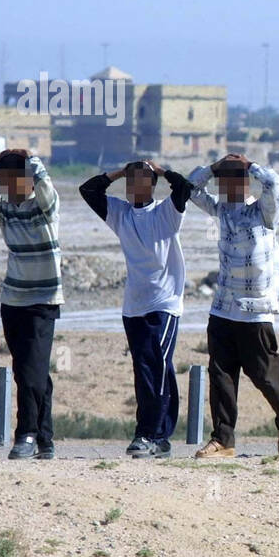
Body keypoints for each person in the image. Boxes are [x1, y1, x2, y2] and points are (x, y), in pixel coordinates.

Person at [187, 153, 279, 459]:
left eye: (235, 178)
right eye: (224, 179)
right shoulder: (221, 210)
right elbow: (190, 189)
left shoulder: (264, 212)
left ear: (246, 181)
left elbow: (274, 182)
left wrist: (250, 164)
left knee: (264, 372)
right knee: (221, 374)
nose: (228, 185)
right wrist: (211, 167)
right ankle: (223, 440)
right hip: (223, 307)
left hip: (256, 308)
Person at [80, 161, 192, 459]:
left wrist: (161, 169)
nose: (132, 188)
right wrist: (119, 171)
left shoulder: (166, 213)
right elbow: (88, 190)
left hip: (165, 303)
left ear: (152, 185)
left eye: (139, 182)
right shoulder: (121, 214)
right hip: (134, 306)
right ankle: (161, 436)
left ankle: (148, 435)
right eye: (129, 183)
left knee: (155, 368)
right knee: (151, 369)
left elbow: (185, 188)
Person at [0, 149, 63, 460]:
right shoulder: (2, 210)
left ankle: (26, 435)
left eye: (11, 180)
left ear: (27, 180)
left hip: (43, 301)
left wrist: (32, 158)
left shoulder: (45, 207)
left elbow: (46, 184)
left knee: (33, 371)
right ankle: (46, 438)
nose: (6, 187)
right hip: (12, 300)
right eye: (3, 181)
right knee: (29, 371)